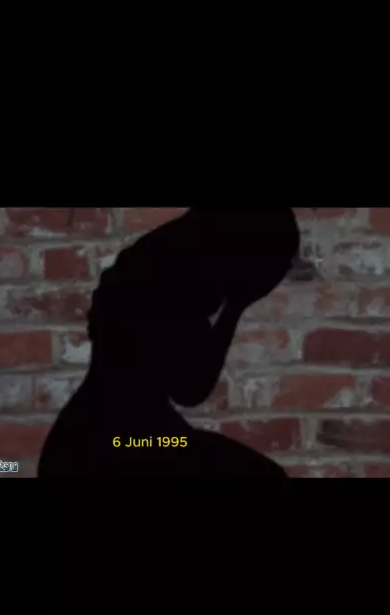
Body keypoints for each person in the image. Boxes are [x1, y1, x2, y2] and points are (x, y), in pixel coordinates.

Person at [38, 206, 300, 480]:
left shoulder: (153, 263)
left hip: (102, 435)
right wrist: (236, 306)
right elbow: (191, 389)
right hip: (124, 444)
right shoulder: (175, 286)